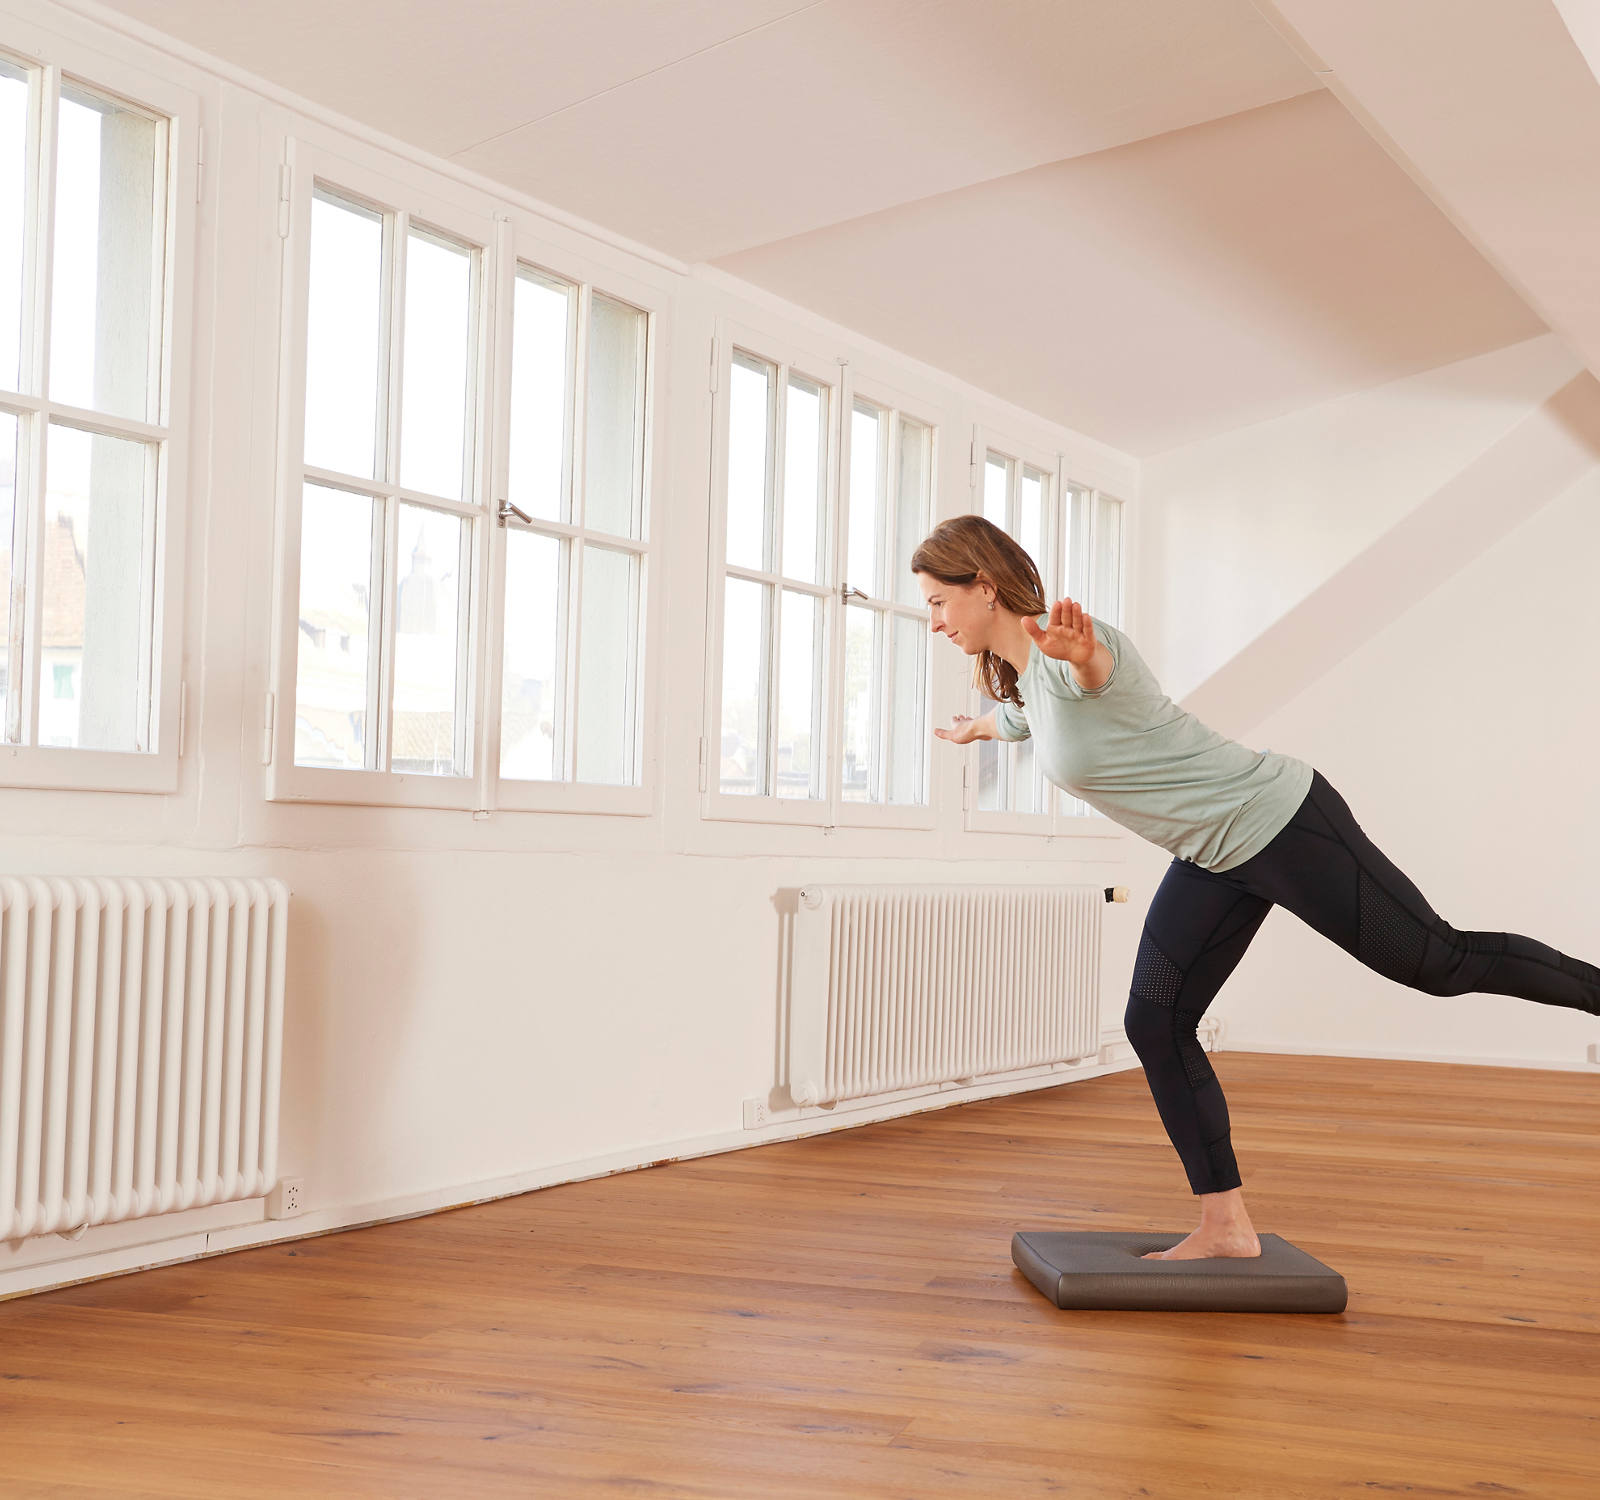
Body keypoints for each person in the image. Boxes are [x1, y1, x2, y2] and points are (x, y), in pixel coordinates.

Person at [912, 515, 1600, 1262]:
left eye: (937, 603)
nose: (935, 622)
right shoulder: (1025, 682)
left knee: (1438, 964)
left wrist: (1084, 655)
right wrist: (974, 730)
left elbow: (1094, 672)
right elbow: (1024, 721)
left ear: (982, 587)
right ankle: (1224, 1226)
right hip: (1210, 855)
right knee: (1155, 1023)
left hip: (1278, 822)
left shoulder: (1069, 646)